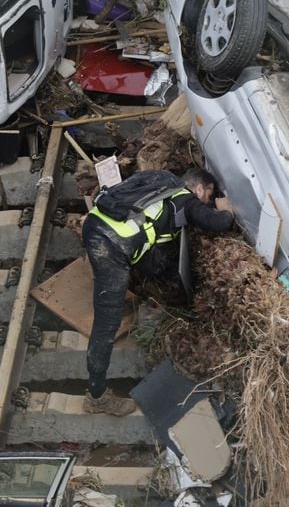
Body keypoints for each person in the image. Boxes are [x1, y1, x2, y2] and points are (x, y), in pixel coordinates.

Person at [82, 167, 234, 415]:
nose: (205, 202)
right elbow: (220, 223)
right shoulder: (186, 200)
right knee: (105, 325)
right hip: (111, 247)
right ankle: (96, 398)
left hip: (94, 222)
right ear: (198, 188)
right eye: (207, 195)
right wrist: (225, 208)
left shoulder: (159, 178)